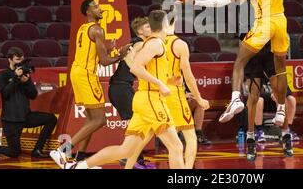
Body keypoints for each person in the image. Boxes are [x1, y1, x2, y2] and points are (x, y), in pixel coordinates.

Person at [64, 10, 185, 169]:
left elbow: (171, 27)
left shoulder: (156, 41)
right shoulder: (149, 43)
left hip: (141, 98)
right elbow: (135, 68)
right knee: (176, 146)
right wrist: (161, 84)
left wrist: (182, 6)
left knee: (126, 149)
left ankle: (80, 166)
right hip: (149, 99)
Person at [194, 0, 289, 128]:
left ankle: (235, 98)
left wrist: (193, 3)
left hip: (265, 24)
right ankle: (281, 110)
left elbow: (220, 2)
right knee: (281, 70)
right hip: (281, 21)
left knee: (239, 63)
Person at [50, 0, 130, 167]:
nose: (99, 8)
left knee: (91, 118)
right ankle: (62, 151)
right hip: (86, 74)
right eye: (95, 7)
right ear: (88, 12)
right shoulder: (97, 30)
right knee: (100, 120)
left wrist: (110, 49)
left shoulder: (83, 28)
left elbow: (95, 53)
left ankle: (79, 159)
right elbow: (104, 61)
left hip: (77, 72)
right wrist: (121, 55)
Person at [162, 13, 210, 168]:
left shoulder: (152, 43)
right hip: (173, 93)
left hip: (154, 93)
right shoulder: (179, 44)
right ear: (174, 22)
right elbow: (189, 77)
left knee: (171, 142)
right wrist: (199, 98)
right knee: (190, 138)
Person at [0, 47, 57, 158]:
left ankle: (37, 149)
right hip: (10, 120)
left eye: (21, 59)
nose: (20, 62)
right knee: (14, 152)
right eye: (17, 59)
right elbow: (5, 94)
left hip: (26, 116)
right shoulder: (2, 75)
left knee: (51, 119)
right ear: (10, 59)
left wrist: (26, 82)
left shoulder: (24, 75)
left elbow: (33, 95)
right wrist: (16, 78)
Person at [108, 16, 155, 169]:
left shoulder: (138, 43)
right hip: (120, 87)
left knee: (137, 123)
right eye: (148, 27)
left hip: (122, 87)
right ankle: (130, 158)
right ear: (140, 30)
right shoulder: (139, 43)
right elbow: (132, 60)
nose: (151, 29)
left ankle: (135, 159)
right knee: (136, 124)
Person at [240, 38, 293, 161]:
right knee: (253, 98)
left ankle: (285, 135)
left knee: (280, 94)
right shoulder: (245, 20)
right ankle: (251, 139)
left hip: (270, 51)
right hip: (252, 51)